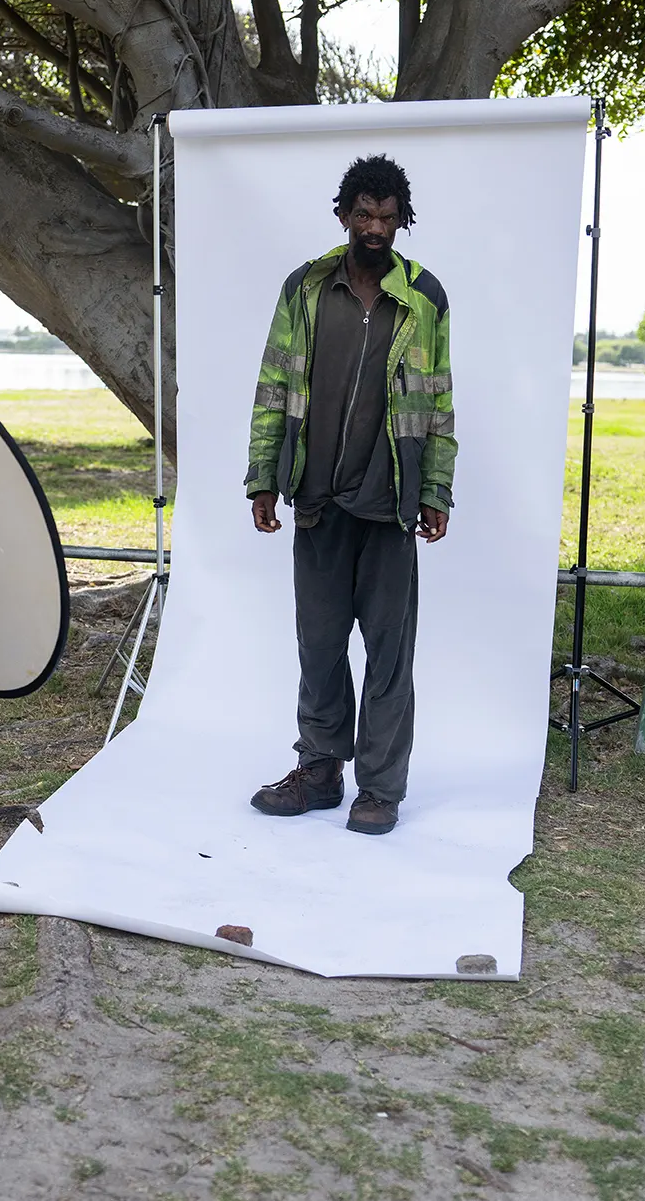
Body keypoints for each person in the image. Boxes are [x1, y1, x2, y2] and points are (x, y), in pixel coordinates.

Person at [242, 154, 456, 836]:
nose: (375, 228)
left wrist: (436, 487)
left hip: (390, 503)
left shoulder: (424, 296)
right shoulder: (305, 288)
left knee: (389, 656)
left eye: (388, 217)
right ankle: (320, 771)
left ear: (401, 222)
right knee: (320, 645)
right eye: (365, 214)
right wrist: (263, 475)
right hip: (318, 498)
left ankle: (380, 790)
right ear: (344, 215)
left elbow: (438, 400)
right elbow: (274, 385)